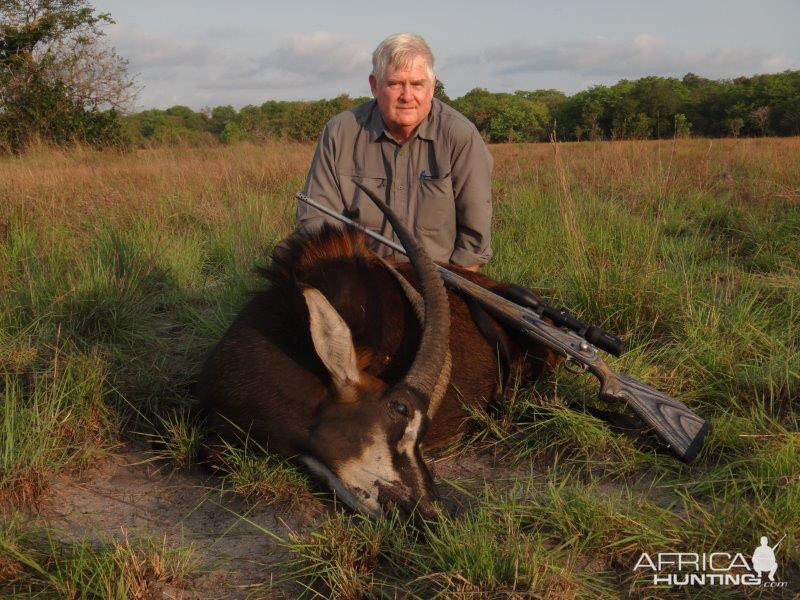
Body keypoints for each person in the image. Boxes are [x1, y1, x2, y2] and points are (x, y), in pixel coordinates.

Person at [295, 33, 493, 271]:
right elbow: (316, 223)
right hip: (360, 276)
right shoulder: (340, 132)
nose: (407, 96)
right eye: (395, 83)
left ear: (432, 88)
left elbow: (473, 246)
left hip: (438, 280)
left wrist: (446, 296)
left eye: (417, 84)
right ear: (374, 86)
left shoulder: (461, 135)